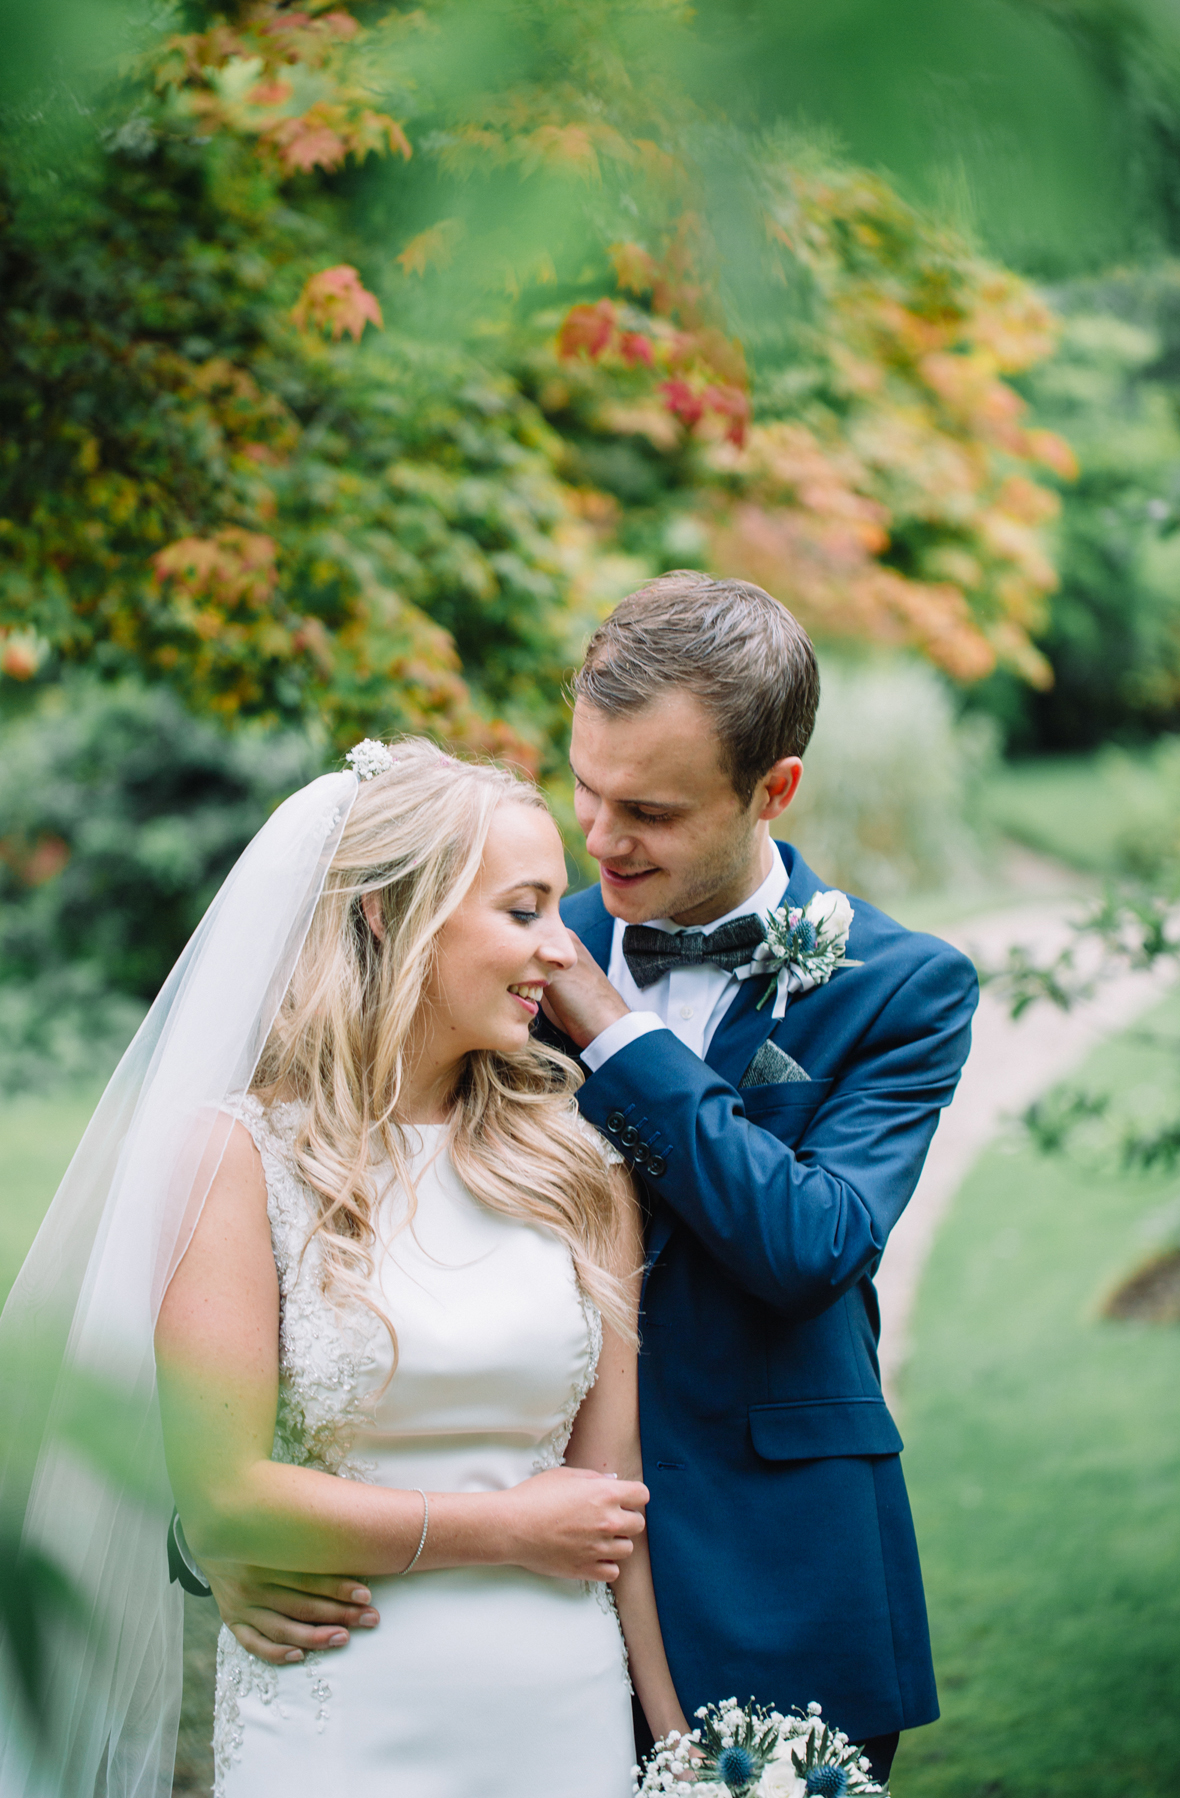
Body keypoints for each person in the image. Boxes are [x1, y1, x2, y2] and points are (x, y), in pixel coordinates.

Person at [192, 573, 979, 1782]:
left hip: (775, 1564)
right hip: (489, 1600)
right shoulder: (484, 944)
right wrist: (225, 1535)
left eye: (650, 811)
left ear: (772, 789)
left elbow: (809, 1247)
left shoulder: (900, 987)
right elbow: (302, 1227)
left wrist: (614, 1032)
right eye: (586, 789)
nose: (602, 840)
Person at [0, 740, 688, 1798]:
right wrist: (501, 1528)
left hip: (558, 1705)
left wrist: (677, 1748)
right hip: (338, 1704)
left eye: (559, 908)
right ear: (386, 913)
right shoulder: (237, 1157)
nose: (561, 947)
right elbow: (224, 1497)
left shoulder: (578, 1165)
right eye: (523, 910)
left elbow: (609, 1494)